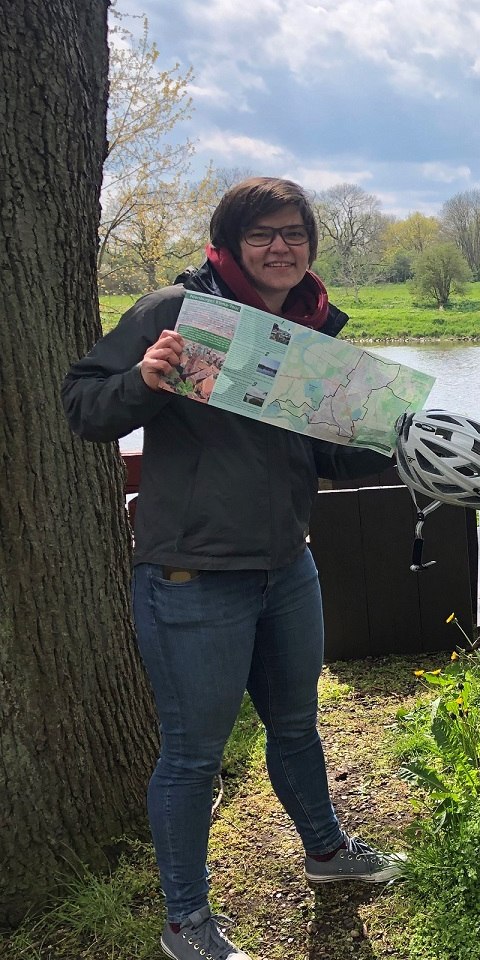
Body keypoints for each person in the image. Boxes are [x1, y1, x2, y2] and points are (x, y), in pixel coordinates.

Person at [62, 177, 405, 960]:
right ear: (230, 243)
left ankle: (326, 855)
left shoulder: (311, 331)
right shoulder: (174, 314)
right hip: (192, 578)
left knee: (296, 726)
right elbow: (83, 406)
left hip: (287, 567)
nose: (280, 248)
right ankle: (185, 922)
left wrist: (397, 437)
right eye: (262, 236)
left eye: (293, 234)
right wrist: (140, 382)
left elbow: (325, 452)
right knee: (192, 756)